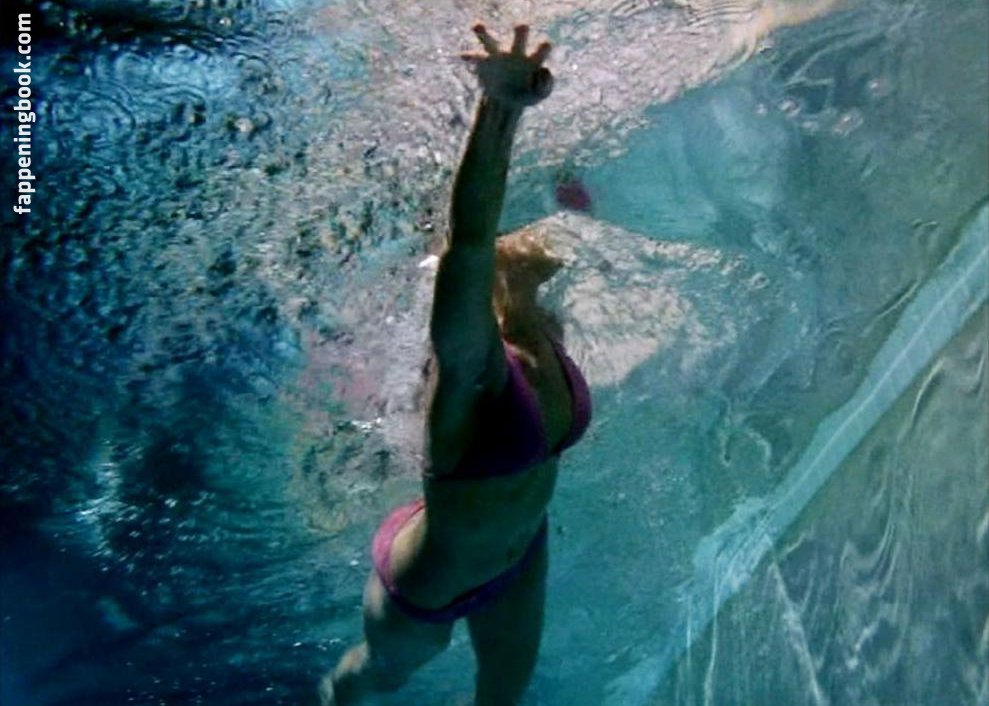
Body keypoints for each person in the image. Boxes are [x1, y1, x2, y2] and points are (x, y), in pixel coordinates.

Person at [316, 23, 591, 706]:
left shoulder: (544, 323)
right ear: (499, 262)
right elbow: (467, 239)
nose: (547, 238)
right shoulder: (475, 367)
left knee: (503, 693)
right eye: (526, 232)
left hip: (520, 554)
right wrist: (501, 108)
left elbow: (577, 203)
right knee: (374, 677)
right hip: (426, 584)